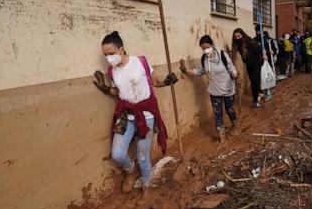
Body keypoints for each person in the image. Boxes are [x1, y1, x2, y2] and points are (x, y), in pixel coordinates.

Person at [93, 31, 178, 193]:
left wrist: (166, 81)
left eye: (111, 53)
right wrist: (105, 88)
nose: (109, 58)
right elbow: (119, 92)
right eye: (105, 55)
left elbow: (155, 82)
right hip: (126, 115)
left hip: (147, 115)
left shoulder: (141, 62)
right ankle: (131, 171)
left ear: (121, 49)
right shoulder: (112, 71)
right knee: (117, 153)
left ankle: (146, 182)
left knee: (142, 155)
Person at [179, 35, 238, 142]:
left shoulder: (222, 55)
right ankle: (222, 137)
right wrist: (187, 71)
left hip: (228, 88)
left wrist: (234, 74)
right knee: (217, 113)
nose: (206, 50)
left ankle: (235, 126)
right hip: (214, 90)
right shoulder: (204, 59)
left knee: (230, 109)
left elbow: (230, 67)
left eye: (207, 47)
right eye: (203, 49)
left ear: (212, 45)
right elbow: (200, 71)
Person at [232, 28, 264, 109]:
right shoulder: (237, 45)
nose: (238, 38)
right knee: (253, 80)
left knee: (254, 82)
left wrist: (261, 60)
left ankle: (255, 101)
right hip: (249, 65)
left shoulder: (251, 41)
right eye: (236, 37)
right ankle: (260, 92)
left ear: (242, 35)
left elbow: (259, 51)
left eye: (239, 36)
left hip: (257, 63)